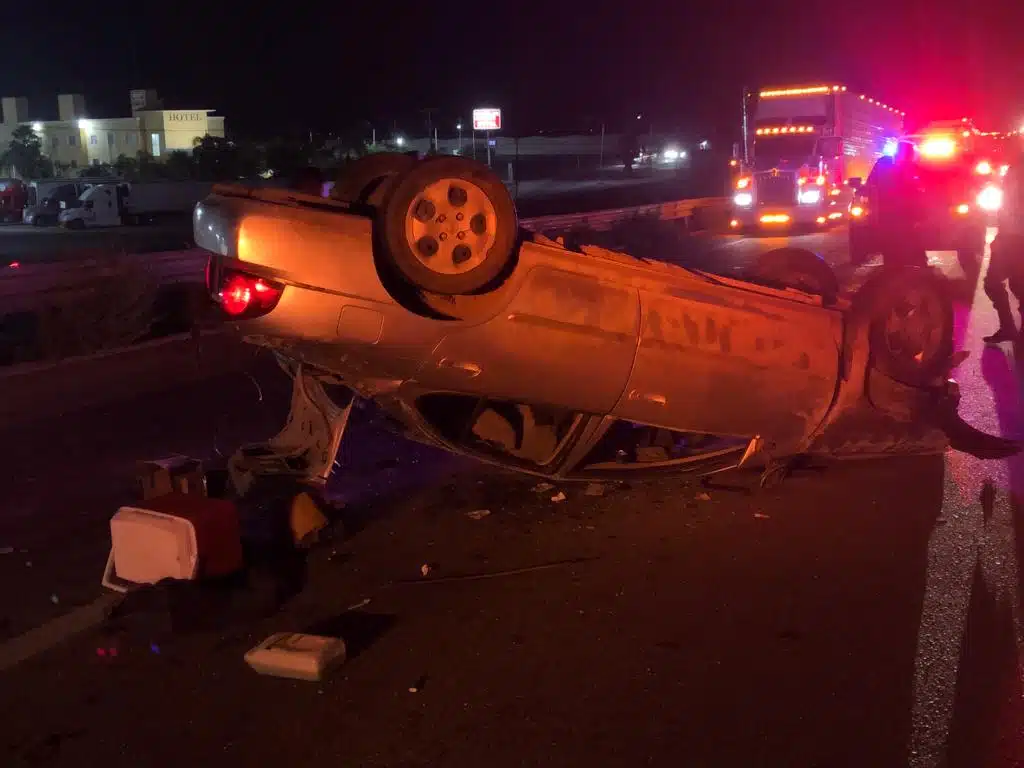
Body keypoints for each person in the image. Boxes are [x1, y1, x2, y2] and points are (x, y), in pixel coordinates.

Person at [982, 150, 1024, 344]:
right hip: (1009, 235)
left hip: (1016, 237)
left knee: (997, 282)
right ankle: (1009, 327)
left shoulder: (1016, 171)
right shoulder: (1011, 171)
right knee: (1013, 282)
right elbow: (1007, 207)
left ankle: (1009, 327)